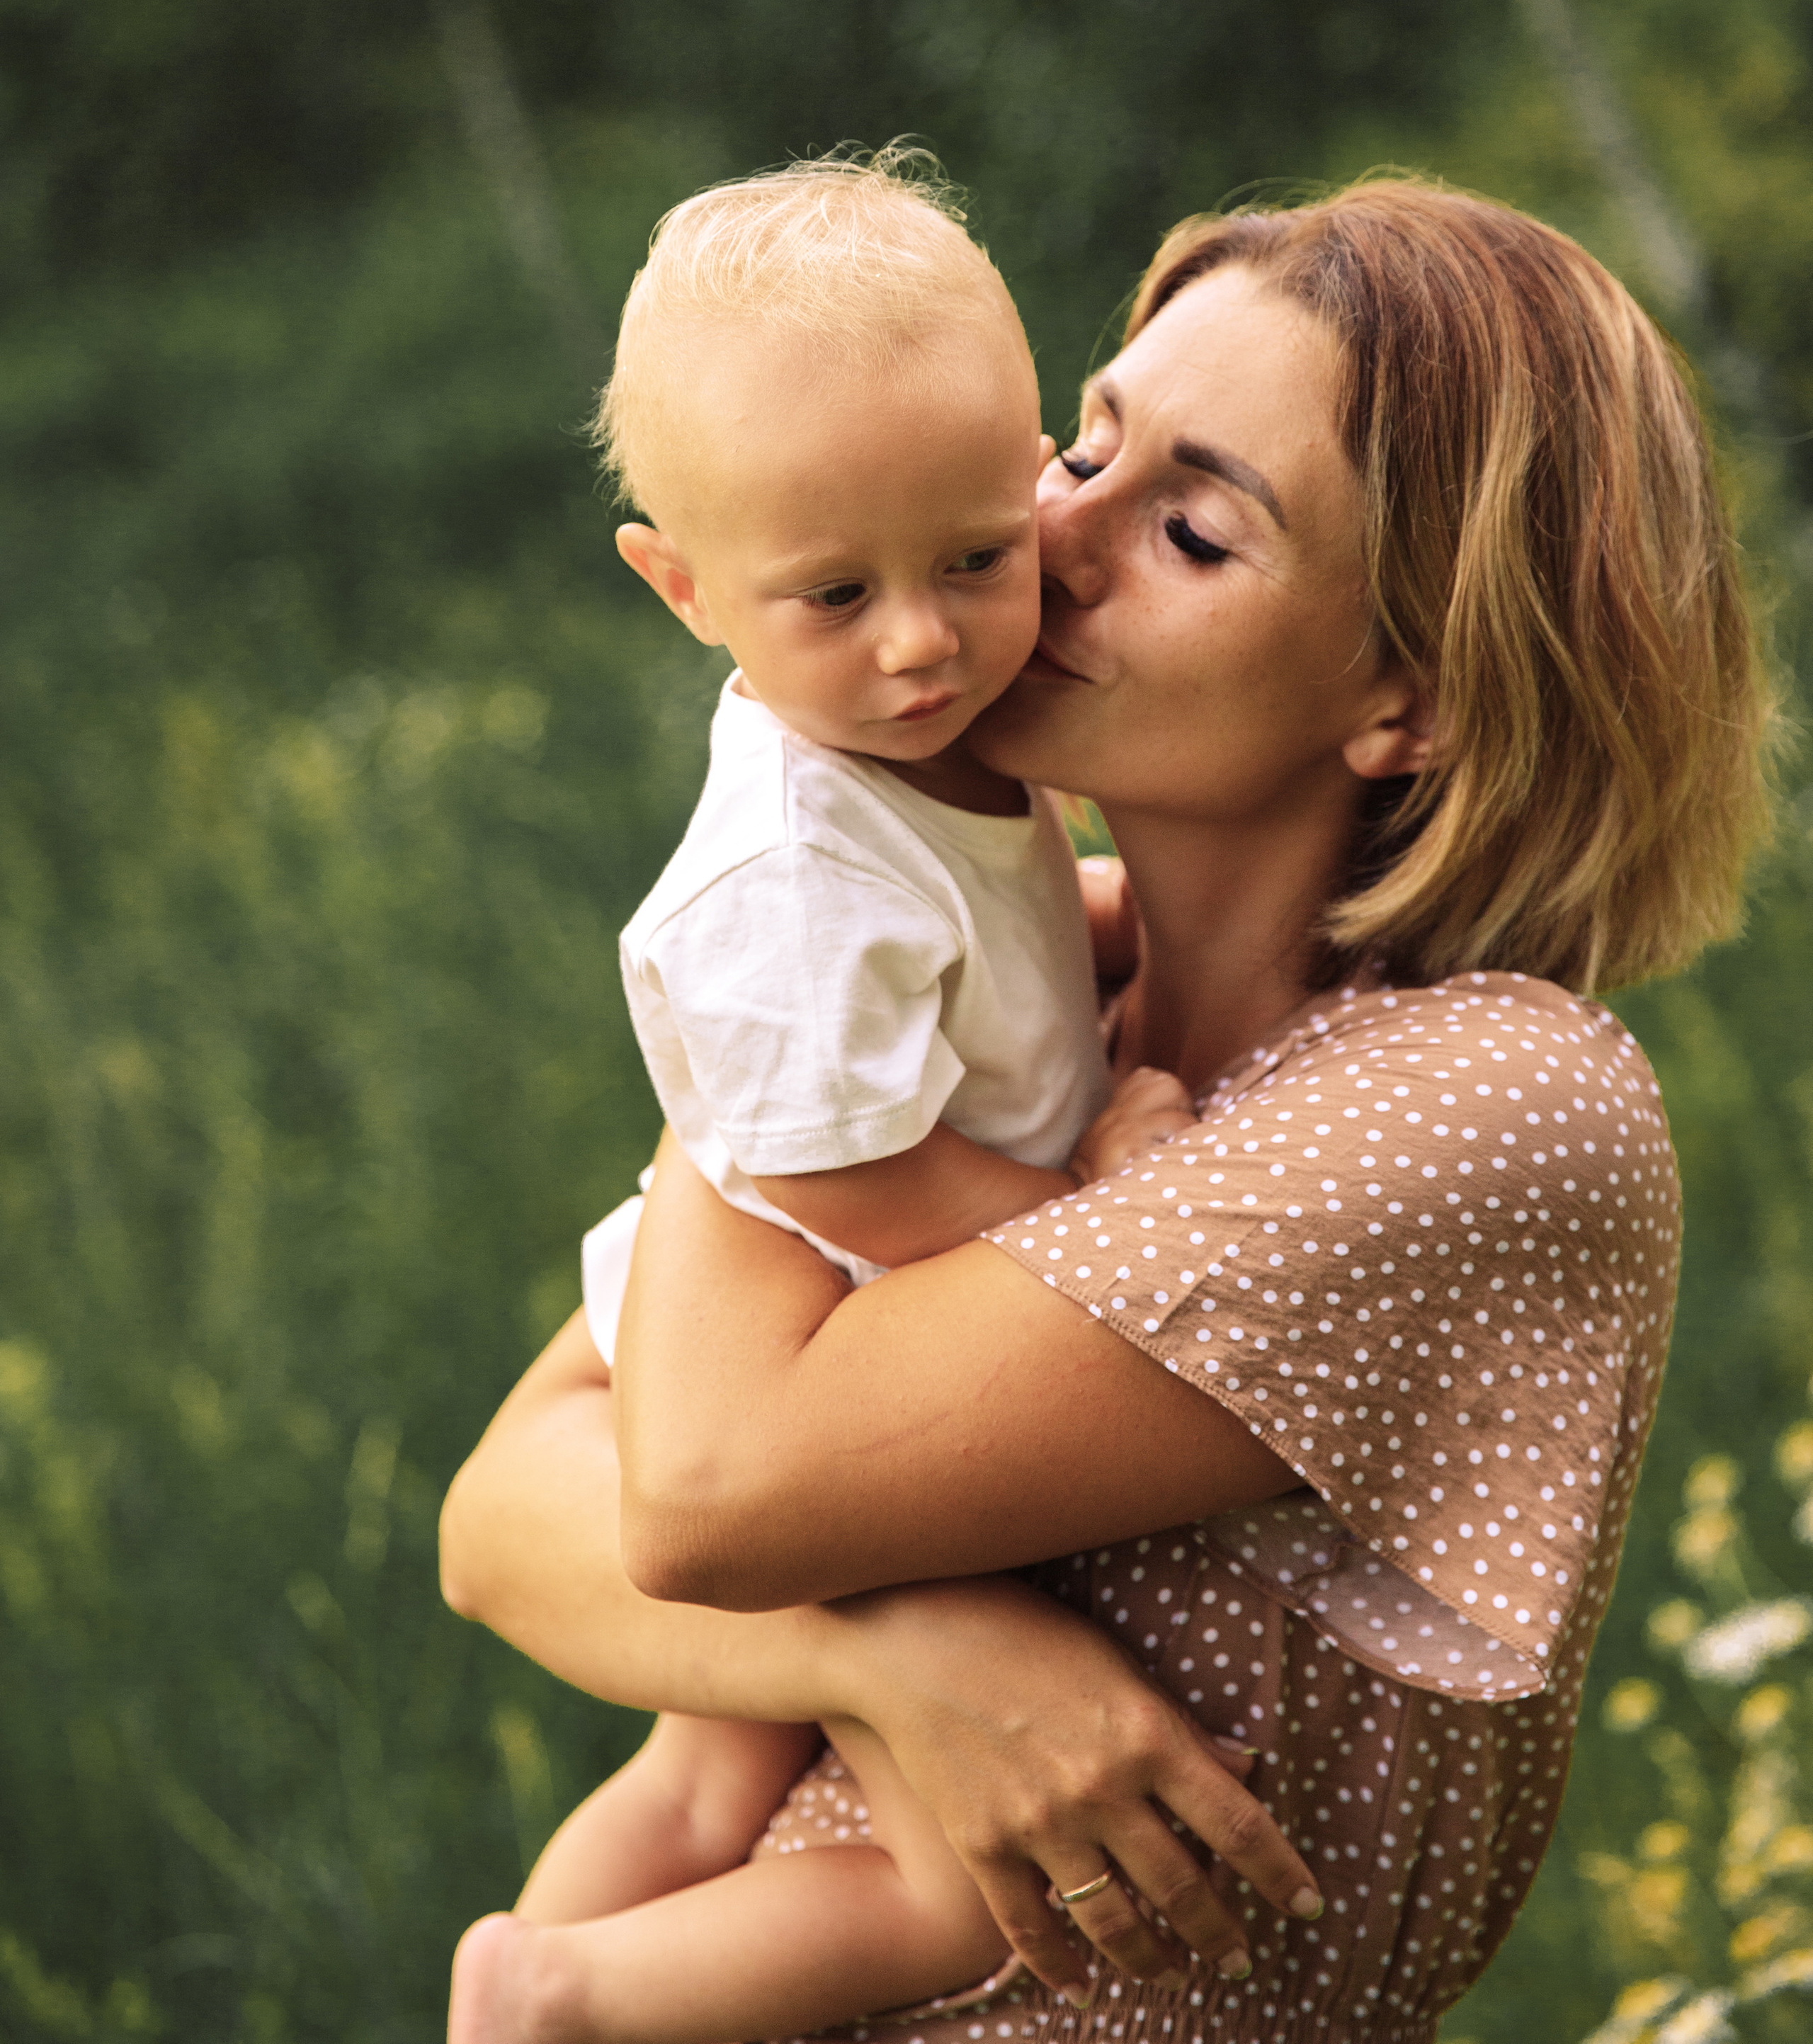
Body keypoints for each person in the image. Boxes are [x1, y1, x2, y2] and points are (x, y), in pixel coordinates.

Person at [441, 178, 1772, 2044]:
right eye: (1084, 445)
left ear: (1411, 699)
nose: (1051, 538)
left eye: (1195, 528)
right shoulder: (1010, 1001)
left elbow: (702, 1488)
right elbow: (501, 1518)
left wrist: (778, 1035)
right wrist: (928, 1659)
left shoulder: (1480, 1101)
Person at [453, 151, 1203, 2043]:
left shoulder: (930, 751)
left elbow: (1001, 936)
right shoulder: (791, 867)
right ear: (681, 585)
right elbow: (860, 1181)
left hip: (826, 1309)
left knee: (706, 1772)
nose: (920, 640)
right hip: (812, 1325)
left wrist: (1140, 922)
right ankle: (568, 1998)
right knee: (959, 1890)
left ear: (1033, 474)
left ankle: (533, 1976)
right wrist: (1094, 1210)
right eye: (832, 594)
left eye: (973, 556)